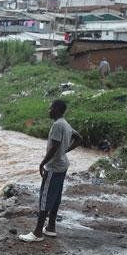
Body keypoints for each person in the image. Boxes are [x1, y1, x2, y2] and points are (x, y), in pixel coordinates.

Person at [19, 99, 82, 242]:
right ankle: (50, 228)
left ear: (57, 109)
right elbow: (78, 138)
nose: (49, 111)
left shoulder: (57, 125)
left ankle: (37, 233)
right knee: (55, 197)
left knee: (45, 198)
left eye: (50, 108)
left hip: (53, 168)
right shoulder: (65, 124)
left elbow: (54, 147)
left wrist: (42, 163)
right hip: (63, 166)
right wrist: (65, 151)